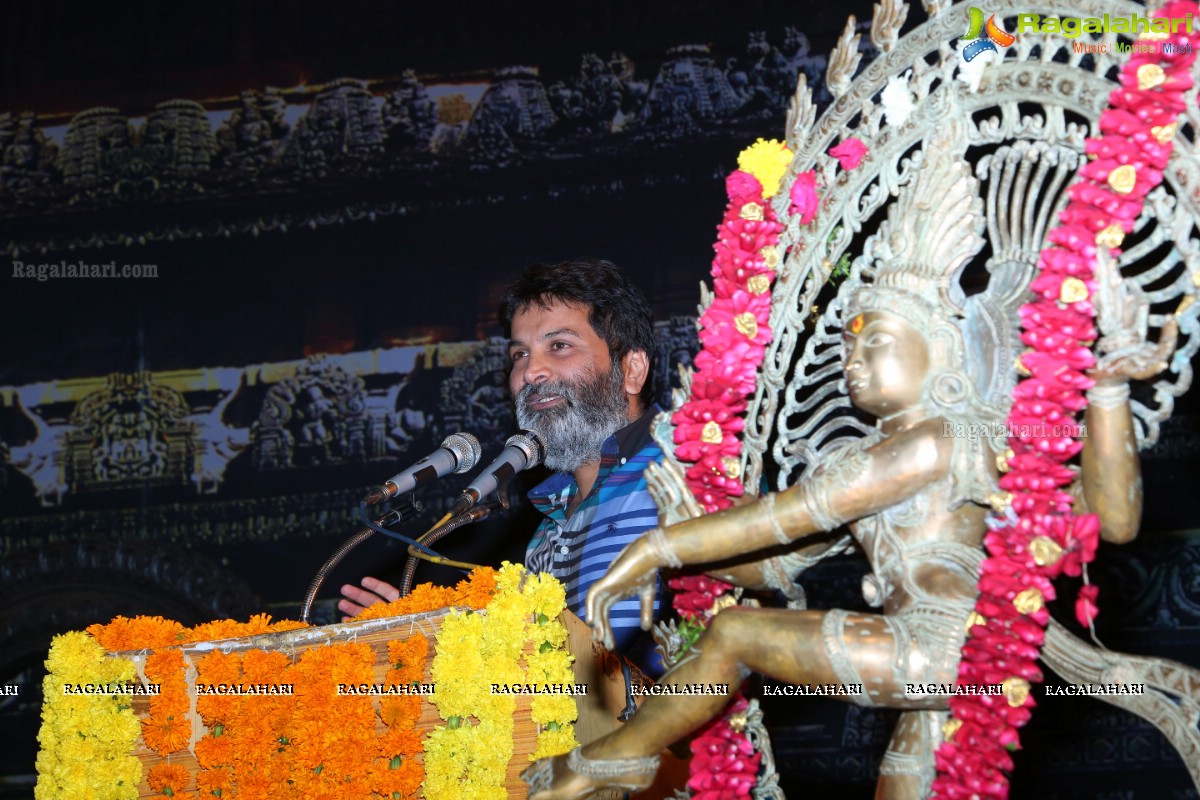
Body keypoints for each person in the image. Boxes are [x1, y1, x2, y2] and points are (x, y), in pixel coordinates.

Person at [339, 258, 666, 670]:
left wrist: (453, 649)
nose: (531, 372)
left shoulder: (680, 475)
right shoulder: (547, 527)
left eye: (559, 346)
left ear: (631, 369)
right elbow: (547, 678)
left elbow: (611, 654)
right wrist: (418, 644)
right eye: (519, 354)